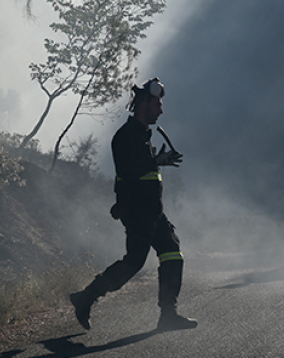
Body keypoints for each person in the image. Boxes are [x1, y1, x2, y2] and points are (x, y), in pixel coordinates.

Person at [69, 78, 198, 332]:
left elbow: (143, 172)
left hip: (153, 211)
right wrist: (156, 161)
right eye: (157, 104)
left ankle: (168, 315)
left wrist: (157, 161)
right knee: (133, 262)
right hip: (139, 212)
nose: (161, 110)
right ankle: (86, 297)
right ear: (144, 104)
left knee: (172, 253)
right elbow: (127, 171)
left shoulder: (143, 136)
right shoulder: (125, 136)